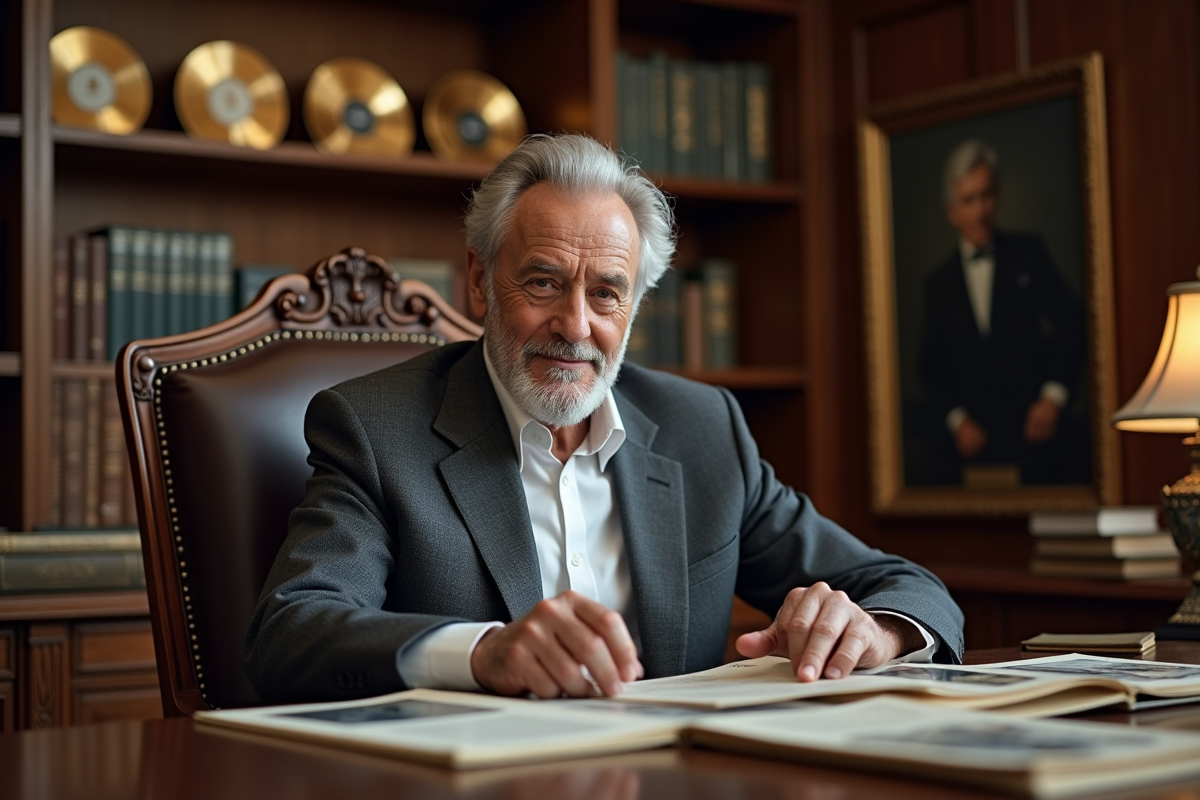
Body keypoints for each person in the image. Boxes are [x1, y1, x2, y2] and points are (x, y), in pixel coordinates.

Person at [244, 133, 964, 704]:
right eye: (543, 282)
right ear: (477, 279)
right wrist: (481, 651)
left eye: (608, 293)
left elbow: (908, 585)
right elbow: (291, 632)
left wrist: (878, 631)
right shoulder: (374, 428)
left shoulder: (702, 428)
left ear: (637, 302)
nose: (576, 326)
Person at [916, 139, 1086, 485]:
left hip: (1037, 440)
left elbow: (1072, 322)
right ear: (952, 211)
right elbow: (930, 366)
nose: (981, 210)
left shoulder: (1030, 253)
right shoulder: (938, 283)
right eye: (969, 200)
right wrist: (956, 419)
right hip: (971, 448)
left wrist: (1053, 396)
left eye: (987, 195)